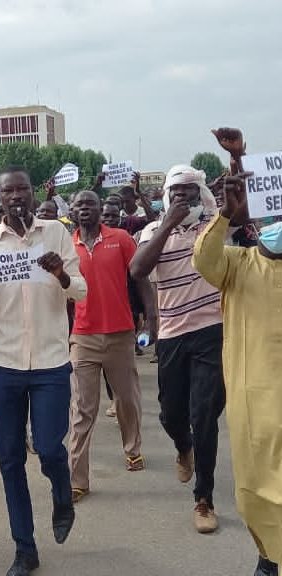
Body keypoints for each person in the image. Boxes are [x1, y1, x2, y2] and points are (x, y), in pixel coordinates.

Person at [0, 166, 87, 576]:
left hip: (51, 361)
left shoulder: (54, 233)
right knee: (10, 459)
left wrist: (60, 272)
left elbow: (80, 290)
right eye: (8, 191)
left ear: (33, 194)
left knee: (51, 448)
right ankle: (24, 548)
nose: (16, 196)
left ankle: (61, 492)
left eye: (23, 189)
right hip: (5, 364)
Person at [193, 127, 280, 576]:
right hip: (255, 408)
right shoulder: (239, 264)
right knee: (256, 489)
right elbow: (204, 258)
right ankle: (267, 555)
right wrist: (226, 215)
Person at [129, 164, 226, 534]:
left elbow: (240, 215)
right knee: (172, 415)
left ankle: (204, 499)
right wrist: (168, 223)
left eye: (190, 190)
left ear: (200, 194)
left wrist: (236, 164)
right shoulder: (154, 230)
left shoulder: (213, 225)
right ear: (168, 196)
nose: (183, 196)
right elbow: (138, 270)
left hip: (212, 332)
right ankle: (183, 447)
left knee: (204, 416)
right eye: (177, 192)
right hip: (172, 335)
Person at [68, 191, 155, 502]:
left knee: (126, 399)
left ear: (99, 209)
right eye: (80, 205)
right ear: (73, 211)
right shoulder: (67, 246)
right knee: (82, 408)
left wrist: (150, 315)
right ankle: (77, 478)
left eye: (91, 204)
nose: (85, 209)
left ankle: (132, 449)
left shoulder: (120, 238)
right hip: (83, 337)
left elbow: (141, 277)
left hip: (120, 334)